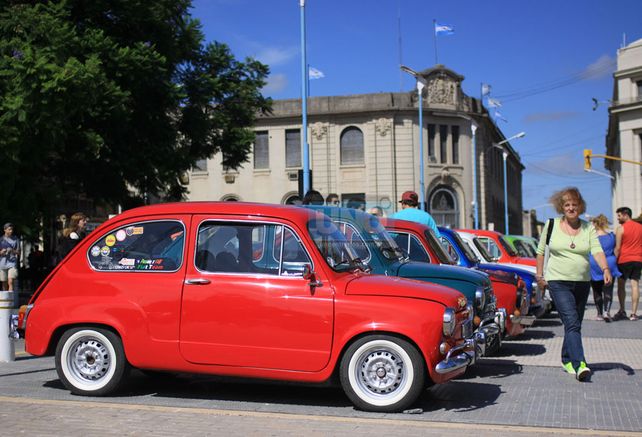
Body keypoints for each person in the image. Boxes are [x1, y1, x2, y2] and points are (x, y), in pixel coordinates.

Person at [535, 187, 612, 381]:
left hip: (582, 282)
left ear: (580, 207)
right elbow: (541, 250)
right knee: (571, 322)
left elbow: (597, 250)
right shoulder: (551, 225)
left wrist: (605, 269)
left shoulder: (588, 228)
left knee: (574, 323)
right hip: (558, 281)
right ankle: (580, 364)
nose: (571, 208)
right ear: (562, 207)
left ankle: (566, 358)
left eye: (574, 205)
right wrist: (539, 275)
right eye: (567, 205)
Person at [589, 214, 621, 322]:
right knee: (608, 289)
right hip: (610, 263)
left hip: (594, 264)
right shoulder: (612, 236)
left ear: (595, 224)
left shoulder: (592, 238)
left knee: (596, 290)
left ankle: (599, 313)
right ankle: (607, 311)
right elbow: (616, 249)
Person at [613, 206, 642, 321]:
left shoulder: (621, 229)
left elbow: (618, 248)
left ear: (626, 215)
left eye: (619, 216)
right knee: (635, 285)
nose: (618, 218)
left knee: (621, 285)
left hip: (624, 260)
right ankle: (634, 313)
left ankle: (622, 310)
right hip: (638, 259)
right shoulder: (640, 227)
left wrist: (613, 261)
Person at [0, 223, 20, 291]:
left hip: (12, 263)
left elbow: (19, 252)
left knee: (10, 281)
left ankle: (11, 300)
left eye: (12, 229)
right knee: (4, 282)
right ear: (5, 230)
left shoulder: (16, 239)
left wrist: (12, 250)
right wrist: (1, 252)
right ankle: (6, 300)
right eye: (9, 229)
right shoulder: (1, 240)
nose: (11, 231)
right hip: (2, 263)